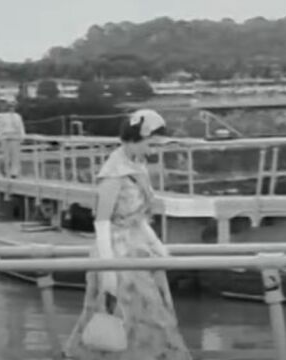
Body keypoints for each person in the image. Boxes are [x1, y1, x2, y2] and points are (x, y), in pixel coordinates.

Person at [63, 109, 192, 360]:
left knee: (151, 313)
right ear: (135, 139)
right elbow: (101, 222)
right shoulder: (114, 173)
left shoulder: (136, 166)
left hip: (138, 246)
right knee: (127, 314)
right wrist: (109, 269)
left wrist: (157, 245)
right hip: (116, 249)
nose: (153, 151)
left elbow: (139, 216)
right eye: (150, 144)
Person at [0, 100, 25, 178]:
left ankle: (14, 173)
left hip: (15, 137)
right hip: (5, 137)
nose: (11, 108)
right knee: (6, 156)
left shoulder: (17, 116)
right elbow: (0, 127)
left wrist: (22, 137)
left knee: (15, 156)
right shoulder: (3, 117)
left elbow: (21, 127)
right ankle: (6, 171)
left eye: (13, 107)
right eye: (10, 107)